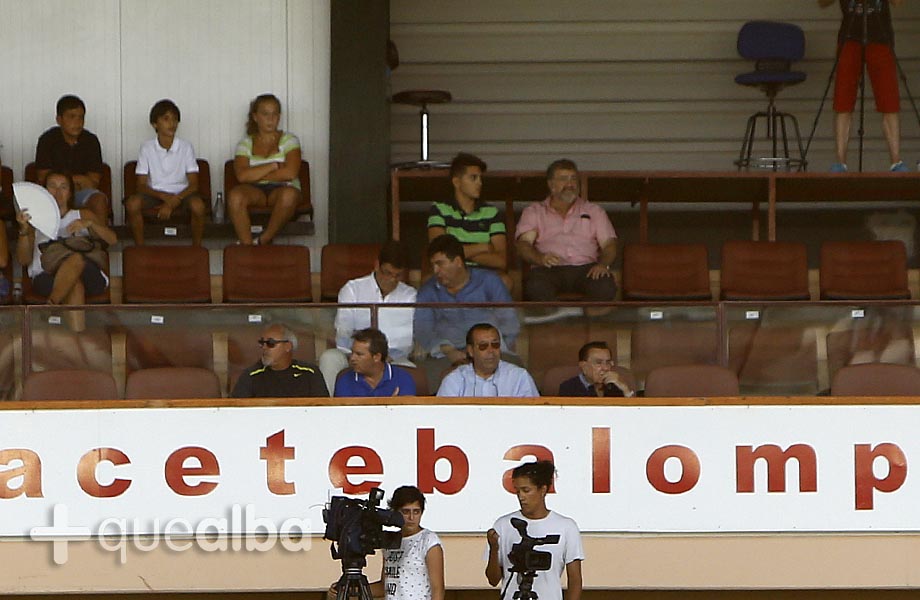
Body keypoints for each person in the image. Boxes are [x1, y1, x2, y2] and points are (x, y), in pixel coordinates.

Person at [414, 234, 519, 386]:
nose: (435, 270)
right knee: (426, 381)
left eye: (440, 264)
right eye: (433, 265)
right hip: (446, 356)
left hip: (491, 352)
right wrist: (448, 350)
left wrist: (494, 350)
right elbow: (423, 332)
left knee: (516, 376)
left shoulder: (489, 281)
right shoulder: (428, 291)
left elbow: (510, 323)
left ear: (457, 262)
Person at [516, 159, 617, 311]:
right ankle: (556, 322)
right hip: (548, 268)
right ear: (551, 185)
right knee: (535, 286)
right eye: (563, 179)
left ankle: (584, 323)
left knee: (605, 285)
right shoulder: (534, 211)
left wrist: (603, 265)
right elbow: (523, 245)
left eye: (574, 179)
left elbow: (609, 244)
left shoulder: (594, 211)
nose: (570, 184)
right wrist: (540, 258)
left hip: (586, 268)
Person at [819, 0, 907, 172]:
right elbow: (823, 2)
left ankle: (896, 161)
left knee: (889, 101)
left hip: (880, 36)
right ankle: (840, 162)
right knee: (843, 100)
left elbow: (898, 2)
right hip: (850, 37)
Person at [318, 241, 416, 393]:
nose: (392, 280)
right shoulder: (353, 289)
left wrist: (382, 357)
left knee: (411, 370)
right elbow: (344, 332)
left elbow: (406, 339)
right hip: (352, 354)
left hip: (392, 357)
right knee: (329, 359)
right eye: (387, 273)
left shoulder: (410, 296)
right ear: (377, 265)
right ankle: (329, 410)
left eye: (397, 276)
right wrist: (360, 355)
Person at [486, 461, 584, 600]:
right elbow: (493, 579)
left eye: (526, 490)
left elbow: (575, 580)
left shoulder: (566, 527)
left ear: (543, 490)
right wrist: (494, 549)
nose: (521, 496)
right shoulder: (503, 524)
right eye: (517, 491)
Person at [16, 171, 116, 306]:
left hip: (88, 272)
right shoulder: (34, 220)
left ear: (70, 192)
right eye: (52, 186)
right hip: (46, 274)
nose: (58, 192)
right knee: (74, 285)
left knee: (76, 258)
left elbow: (112, 240)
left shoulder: (83, 214)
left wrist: (90, 224)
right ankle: (56, 308)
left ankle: (50, 307)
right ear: (44, 190)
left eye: (63, 187)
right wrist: (23, 230)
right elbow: (24, 260)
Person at [328, 486, 445, 600]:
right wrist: (345, 591)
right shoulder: (390, 541)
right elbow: (384, 586)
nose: (411, 517)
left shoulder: (428, 541)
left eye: (416, 512)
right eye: (405, 512)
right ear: (395, 512)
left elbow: (437, 589)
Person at [125, 99, 207, 246]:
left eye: (175, 119)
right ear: (155, 124)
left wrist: (175, 200)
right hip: (155, 194)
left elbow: (194, 184)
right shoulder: (147, 148)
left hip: (182, 194)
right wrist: (164, 197)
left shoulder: (186, 147)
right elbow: (141, 186)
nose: (172, 124)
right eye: (166, 119)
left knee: (198, 206)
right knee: (132, 204)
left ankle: (197, 247)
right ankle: (140, 247)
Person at [228, 93, 303, 245]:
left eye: (275, 114)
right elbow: (242, 176)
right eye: (265, 114)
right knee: (235, 196)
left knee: (288, 196)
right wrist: (273, 165)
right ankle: (247, 246)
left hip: (283, 187)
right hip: (254, 190)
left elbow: (291, 172)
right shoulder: (245, 143)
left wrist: (255, 173)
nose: (270, 119)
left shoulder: (290, 140)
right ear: (255, 117)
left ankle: (263, 240)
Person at [427, 152, 510, 288]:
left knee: (504, 282)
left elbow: (501, 261)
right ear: (457, 182)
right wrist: (482, 247)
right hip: (450, 273)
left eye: (480, 178)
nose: (480, 183)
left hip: (484, 274)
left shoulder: (492, 213)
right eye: (473, 178)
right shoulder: (439, 210)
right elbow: (439, 253)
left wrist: (456, 254)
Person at [34, 95, 110, 222]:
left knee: (99, 200)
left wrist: (64, 182)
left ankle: (101, 240)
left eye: (81, 117)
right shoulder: (47, 140)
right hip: (53, 193)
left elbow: (93, 182)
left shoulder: (91, 141)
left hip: (80, 194)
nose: (78, 122)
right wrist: (77, 180)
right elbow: (44, 179)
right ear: (59, 119)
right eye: (72, 117)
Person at [437, 323, 538, 397]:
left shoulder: (519, 377)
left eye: (495, 345)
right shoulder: (455, 380)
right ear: (471, 351)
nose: (491, 351)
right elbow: (442, 419)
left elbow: (534, 417)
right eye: (483, 346)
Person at [231, 323, 328, 397]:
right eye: (262, 343)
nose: (264, 347)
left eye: (270, 343)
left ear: (288, 346)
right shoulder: (251, 376)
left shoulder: (310, 373)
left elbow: (323, 411)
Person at [334, 328, 417, 397]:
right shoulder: (345, 381)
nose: (352, 358)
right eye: (352, 353)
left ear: (376, 357)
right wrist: (388, 406)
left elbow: (406, 413)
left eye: (359, 354)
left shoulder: (403, 378)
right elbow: (346, 415)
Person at [558, 341, 635, 397]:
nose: (605, 368)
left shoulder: (615, 385)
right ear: (583, 366)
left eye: (608, 362)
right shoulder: (568, 388)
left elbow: (635, 414)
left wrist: (625, 389)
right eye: (598, 362)